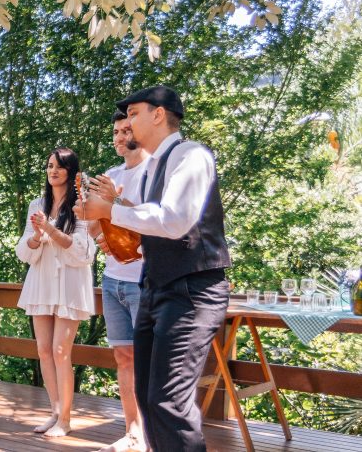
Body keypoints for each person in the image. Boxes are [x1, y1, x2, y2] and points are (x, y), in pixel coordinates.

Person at [76, 86, 232, 452]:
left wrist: (109, 211)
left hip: (193, 289)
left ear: (158, 114)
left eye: (133, 114)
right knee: (148, 396)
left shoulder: (191, 156)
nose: (126, 124)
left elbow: (174, 221)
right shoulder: (152, 168)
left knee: (170, 401)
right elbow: (150, 232)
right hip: (155, 286)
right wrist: (116, 238)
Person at [15, 147, 95, 439]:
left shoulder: (82, 205)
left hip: (70, 283)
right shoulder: (37, 203)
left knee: (62, 352)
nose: (53, 171)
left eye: (60, 167)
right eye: (49, 166)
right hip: (42, 280)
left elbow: (84, 252)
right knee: (44, 350)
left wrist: (49, 229)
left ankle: (66, 418)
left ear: (71, 172)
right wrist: (36, 237)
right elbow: (23, 249)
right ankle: (54, 410)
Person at [90, 111, 150, 452]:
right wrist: (100, 235)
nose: (117, 136)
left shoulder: (153, 173)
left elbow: (154, 221)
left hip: (144, 280)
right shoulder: (110, 175)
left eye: (125, 129)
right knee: (123, 359)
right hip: (112, 279)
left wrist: (115, 200)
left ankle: (153, 434)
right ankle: (132, 433)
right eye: (114, 130)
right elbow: (96, 224)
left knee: (147, 360)